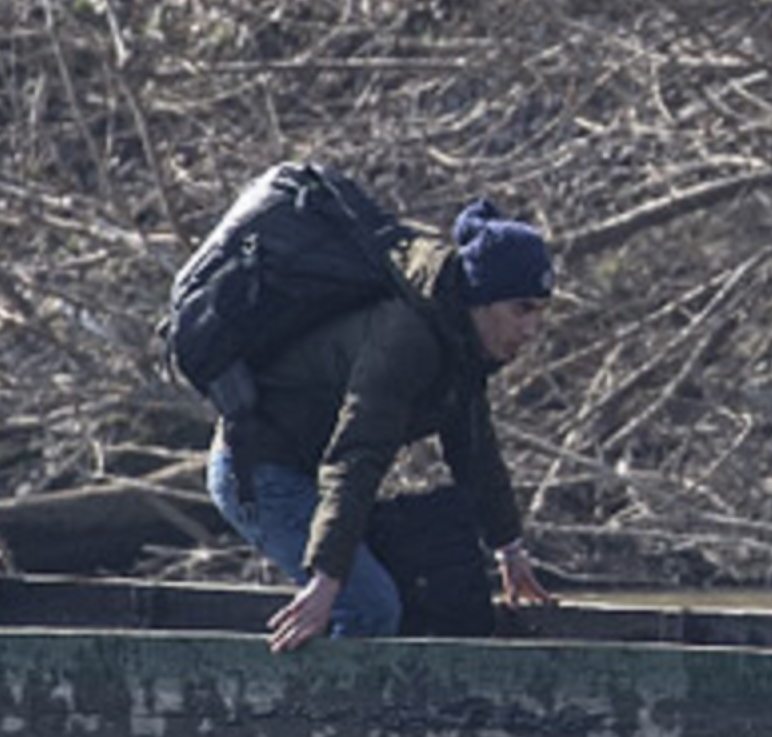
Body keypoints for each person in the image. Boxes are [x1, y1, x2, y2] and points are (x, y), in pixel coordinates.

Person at [206, 198, 560, 652]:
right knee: (369, 607)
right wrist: (328, 580)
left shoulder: (461, 341)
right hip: (258, 471)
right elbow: (357, 455)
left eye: (541, 312)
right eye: (521, 309)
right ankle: (321, 721)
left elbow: (474, 451)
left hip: (308, 472)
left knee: (422, 592)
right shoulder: (406, 340)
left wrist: (509, 548)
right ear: (481, 299)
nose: (532, 329)